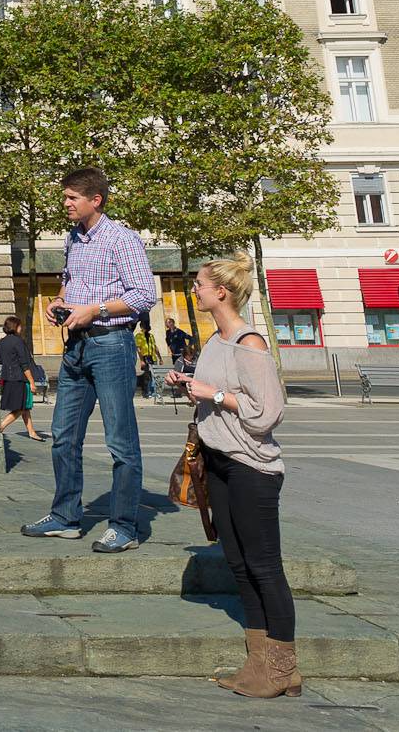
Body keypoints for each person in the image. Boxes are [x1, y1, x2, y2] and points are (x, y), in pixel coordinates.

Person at [167, 250, 296, 699]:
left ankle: (283, 669)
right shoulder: (214, 342)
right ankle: (259, 663)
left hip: (251, 468)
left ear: (221, 291)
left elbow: (267, 413)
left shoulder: (250, 343)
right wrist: (191, 388)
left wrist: (215, 393)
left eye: (200, 284)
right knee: (240, 566)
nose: (195, 290)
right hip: (218, 462)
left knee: (265, 567)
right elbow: (217, 398)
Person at [22, 167, 158, 553]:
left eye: (71, 198)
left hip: (111, 344)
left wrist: (94, 310)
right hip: (76, 346)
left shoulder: (121, 239)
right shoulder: (74, 238)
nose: (65, 203)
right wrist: (61, 302)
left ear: (94, 200)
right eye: (65, 197)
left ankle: (125, 527)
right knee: (63, 436)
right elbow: (70, 280)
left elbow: (143, 295)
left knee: (120, 442)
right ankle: (65, 516)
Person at [0, 315, 46, 443]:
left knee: (25, 406)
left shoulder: (1, 342)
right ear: (15, 326)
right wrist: (32, 382)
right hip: (19, 378)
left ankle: (31, 432)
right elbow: (24, 364)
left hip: (7, 377)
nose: (21, 328)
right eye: (20, 326)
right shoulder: (18, 341)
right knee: (20, 408)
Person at [135, 320, 160, 399]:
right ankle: (147, 392)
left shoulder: (151, 336)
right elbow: (138, 349)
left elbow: (155, 347)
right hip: (145, 357)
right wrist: (142, 360)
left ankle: (154, 392)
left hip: (153, 357)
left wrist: (160, 357)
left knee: (154, 376)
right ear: (142, 327)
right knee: (147, 376)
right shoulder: (139, 336)